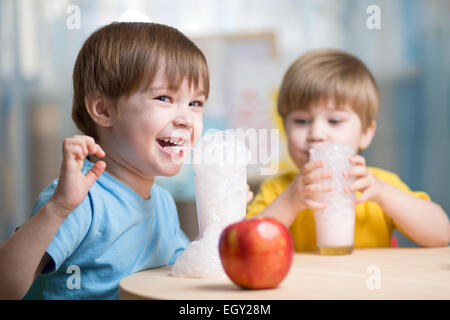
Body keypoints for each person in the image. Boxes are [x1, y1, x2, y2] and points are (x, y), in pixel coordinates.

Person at [0, 22, 209, 299]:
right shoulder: (80, 200)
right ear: (103, 110)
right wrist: (58, 208)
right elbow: (5, 287)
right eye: (164, 98)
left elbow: (180, 275)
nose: (185, 120)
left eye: (195, 103)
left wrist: (219, 223)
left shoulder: (162, 203)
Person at [247, 49, 450, 251]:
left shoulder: (378, 185)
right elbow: (247, 244)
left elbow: (441, 234)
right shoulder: (278, 190)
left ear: (366, 133)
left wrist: (384, 195)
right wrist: (289, 203)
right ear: (285, 129)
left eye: (334, 121)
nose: (316, 133)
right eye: (301, 121)